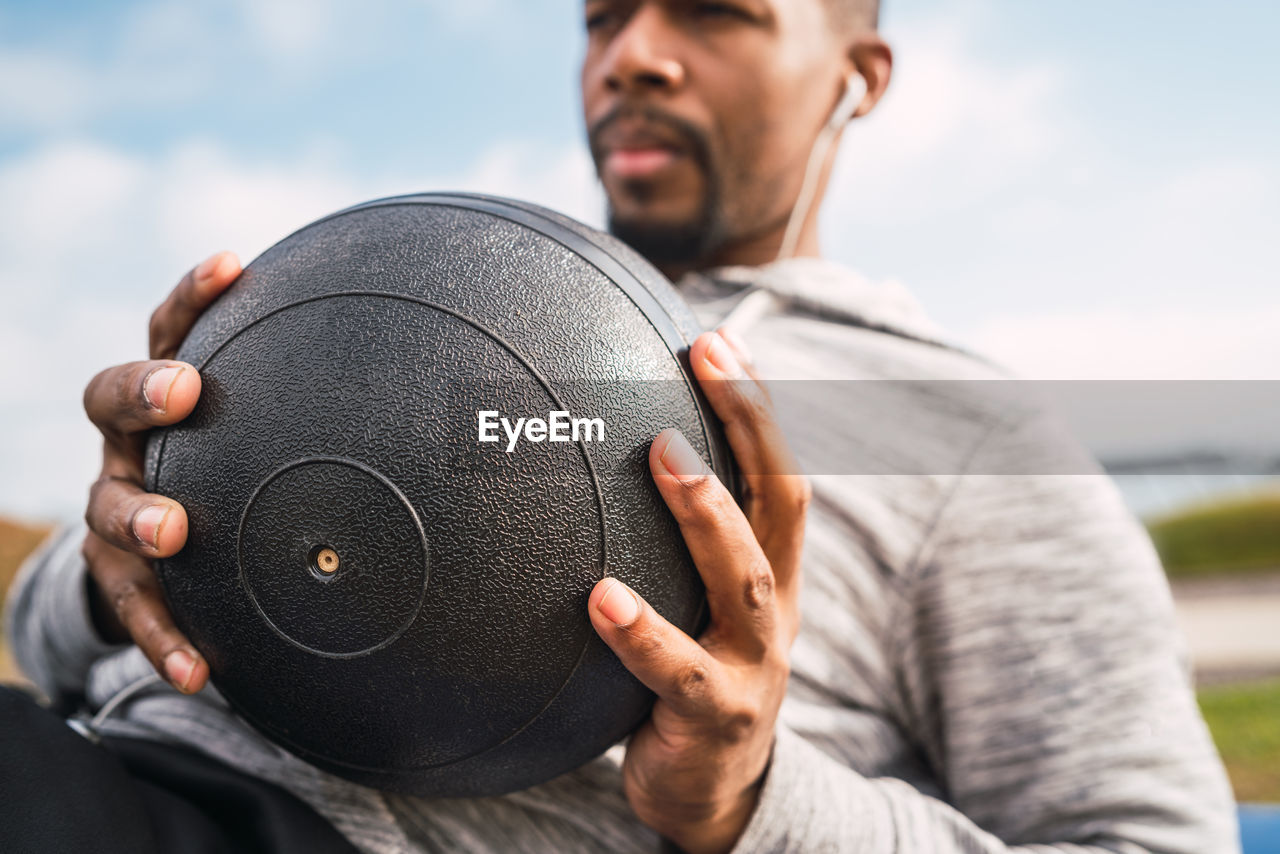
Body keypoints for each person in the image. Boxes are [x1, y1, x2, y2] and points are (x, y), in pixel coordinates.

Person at [3, 1, 1240, 852]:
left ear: (857, 76)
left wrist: (749, 796)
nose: (632, 55)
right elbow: (42, 640)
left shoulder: (972, 436)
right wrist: (124, 564)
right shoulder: (435, 274)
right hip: (103, 763)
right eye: (602, 17)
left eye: (712, 11)